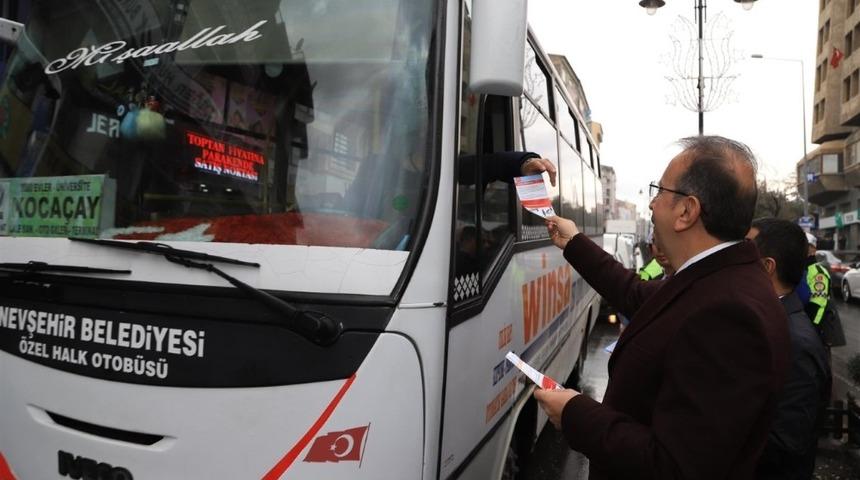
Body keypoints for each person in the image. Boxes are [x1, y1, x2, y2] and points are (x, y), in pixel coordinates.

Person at [534, 135, 790, 479]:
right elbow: (635, 293)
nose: (652, 204)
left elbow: (676, 466)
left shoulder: (730, 313)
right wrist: (573, 242)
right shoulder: (715, 278)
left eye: (660, 191)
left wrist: (575, 413)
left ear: (687, 211)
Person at [747, 218, 831, 480]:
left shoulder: (796, 342)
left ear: (767, 267)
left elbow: (785, 445)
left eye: (744, 252)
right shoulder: (769, 321)